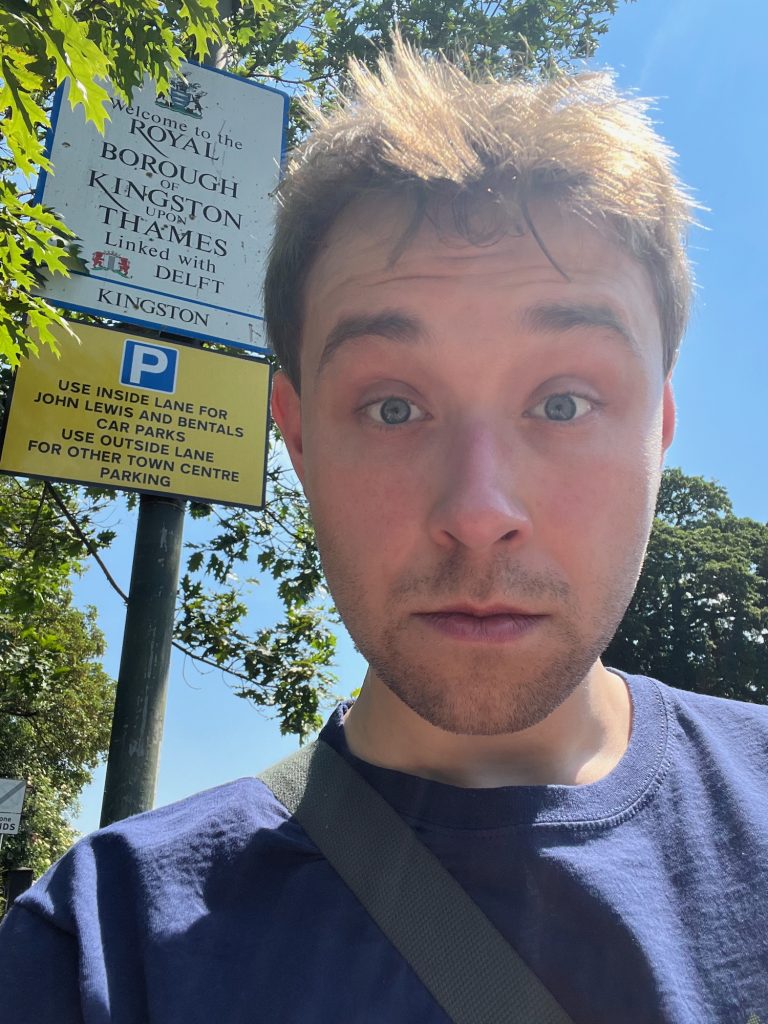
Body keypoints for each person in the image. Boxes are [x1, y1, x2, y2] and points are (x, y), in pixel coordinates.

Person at [2, 40, 767, 1024]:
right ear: (298, 435)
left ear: (657, 435)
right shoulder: (98, 953)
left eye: (566, 402)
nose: (479, 510)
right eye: (394, 408)